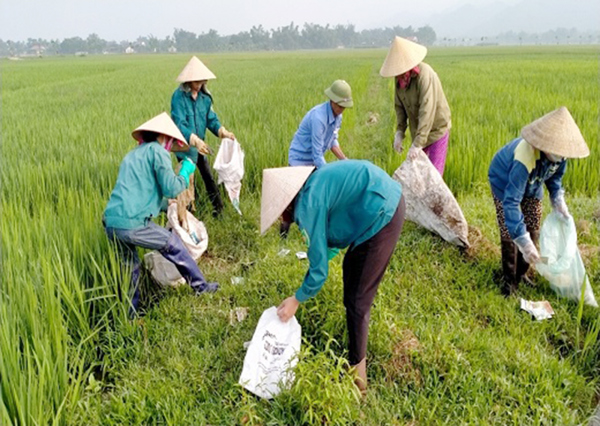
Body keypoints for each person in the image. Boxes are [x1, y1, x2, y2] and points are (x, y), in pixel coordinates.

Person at [260, 160, 406, 394]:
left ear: (287, 204)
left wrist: (296, 299)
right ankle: (356, 365)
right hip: (385, 198)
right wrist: (315, 265)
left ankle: (359, 381)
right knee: (352, 274)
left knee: (357, 302)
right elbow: (329, 244)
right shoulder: (314, 185)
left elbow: (319, 272)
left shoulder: (307, 204)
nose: (282, 220)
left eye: (280, 213)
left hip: (381, 213)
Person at [103, 112, 219, 317]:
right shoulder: (158, 152)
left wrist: (168, 206)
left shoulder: (133, 155)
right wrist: (185, 170)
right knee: (173, 245)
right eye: (172, 141)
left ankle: (131, 317)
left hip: (112, 222)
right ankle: (201, 287)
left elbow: (142, 192)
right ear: (165, 137)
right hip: (133, 223)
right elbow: (172, 187)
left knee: (130, 267)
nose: (171, 146)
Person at [488, 107, 589, 295]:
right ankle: (510, 281)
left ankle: (522, 273)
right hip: (504, 183)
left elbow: (554, 178)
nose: (561, 157)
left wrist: (558, 199)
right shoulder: (524, 157)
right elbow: (511, 202)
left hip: (533, 183)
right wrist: (522, 241)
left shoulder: (561, 156)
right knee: (509, 229)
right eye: (557, 152)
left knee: (532, 223)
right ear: (546, 146)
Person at [171, 56, 236, 216]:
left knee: (208, 176)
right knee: (186, 181)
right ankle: (186, 214)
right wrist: (194, 140)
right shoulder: (178, 97)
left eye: (202, 82)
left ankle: (218, 209)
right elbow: (179, 123)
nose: (199, 86)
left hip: (200, 148)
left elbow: (210, 119)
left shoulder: (205, 99)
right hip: (185, 148)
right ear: (188, 81)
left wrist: (223, 132)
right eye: (196, 82)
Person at [380, 36, 451, 176]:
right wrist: (400, 132)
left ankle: (435, 199)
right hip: (418, 130)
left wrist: (418, 144)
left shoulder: (425, 75)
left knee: (434, 175)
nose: (398, 74)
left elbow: (427, 109)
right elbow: (399, 106)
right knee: (418, 174)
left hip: (437, 129)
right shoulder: (399, 80)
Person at [288, 80, 352, 168]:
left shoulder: (338, 116)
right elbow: (317, 154)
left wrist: (344, 160)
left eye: (344, 107)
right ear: (332, 100)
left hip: (314, 160)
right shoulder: (318, 118)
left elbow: (332, 140)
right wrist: (326, 173)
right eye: (340, 106)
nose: (342, 110)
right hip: (299, 161)